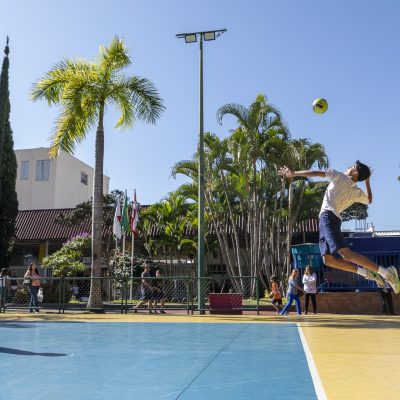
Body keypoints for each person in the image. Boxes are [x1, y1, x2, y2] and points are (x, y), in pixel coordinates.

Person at [278, 162, 400, 293]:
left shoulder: (339, 176)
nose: (348, 167)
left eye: (352, 167)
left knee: (345, 254)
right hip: (327, 219)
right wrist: (367, 181)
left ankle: (387, 272)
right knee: (328, 260)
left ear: (356, 173)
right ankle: (368, 273)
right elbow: (369, 199)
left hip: (328, 218)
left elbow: (316, 173)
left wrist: (294, 173)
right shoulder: (356, 191)